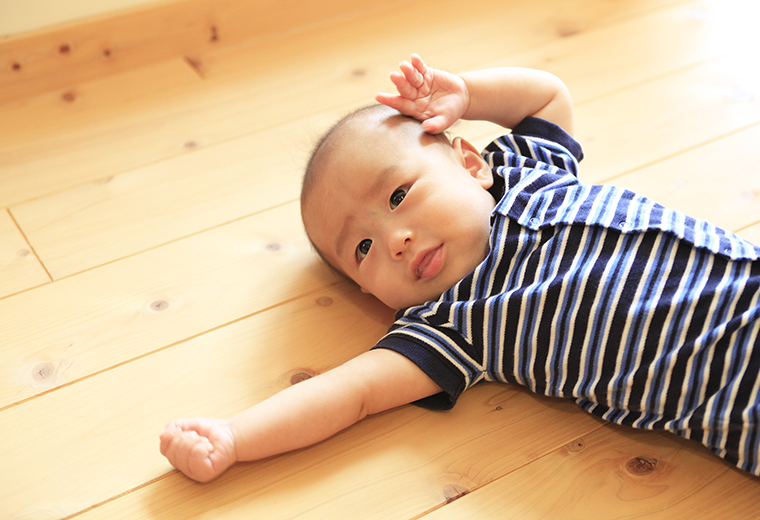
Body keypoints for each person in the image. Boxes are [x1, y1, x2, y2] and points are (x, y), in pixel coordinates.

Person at [160, 54, 760, 482]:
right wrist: (236, 437)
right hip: (736, 394)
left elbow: (548, 95)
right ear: (367, 291)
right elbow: (350, 393)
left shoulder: (528, 170)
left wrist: (467, 95)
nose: (394, 239)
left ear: (470, 163)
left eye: (398, 197)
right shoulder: (449, 324)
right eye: (361, 250)